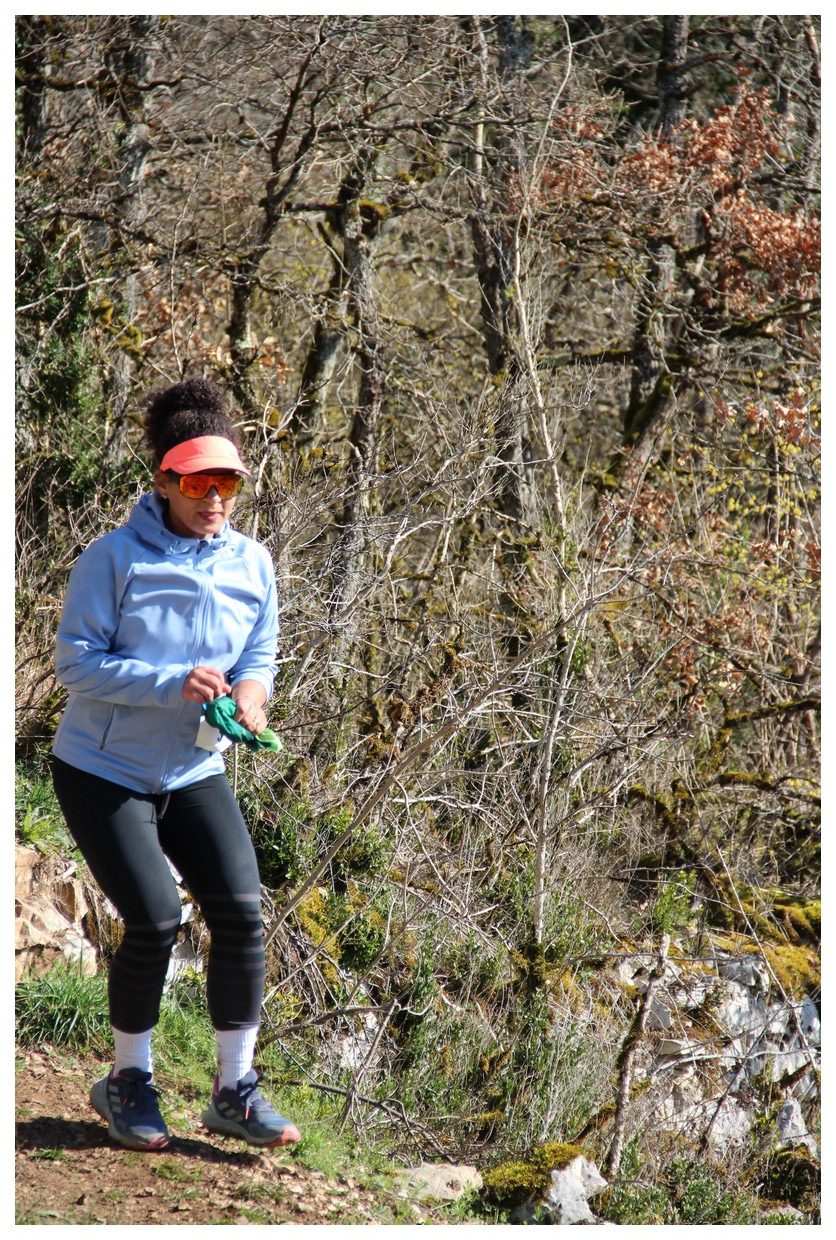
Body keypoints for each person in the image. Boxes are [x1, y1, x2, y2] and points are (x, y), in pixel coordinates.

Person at [50, 377, 301, 1152]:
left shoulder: (252, 563)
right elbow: (74, 664)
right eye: (196, 483)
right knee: (157, 918)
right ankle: (128, 1081)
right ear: (163, 481)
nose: (214, 497)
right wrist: (170, 684)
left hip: (193, 770)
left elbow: (260, 653)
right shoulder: (112, 560)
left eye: (226, 482)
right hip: (102, 769)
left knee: (242, 912)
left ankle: (235, 1092)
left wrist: (252, 697)